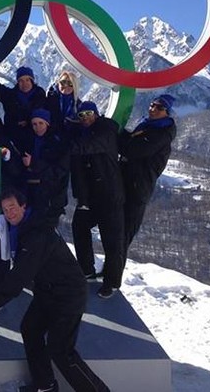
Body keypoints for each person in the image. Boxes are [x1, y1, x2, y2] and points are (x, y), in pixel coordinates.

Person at [0, 188, 110, 392]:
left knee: (61, 350)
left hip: (68, 294)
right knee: (30, 329)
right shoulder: (22, 229)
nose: (9, 213)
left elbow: (20, 274)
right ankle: (45, 386)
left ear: (23, 206)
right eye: (5, 210)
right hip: (48, 291)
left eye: (12, 207)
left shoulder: (37, 233)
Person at [70, 101, 125, 299]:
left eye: (89, 113)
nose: (85, 117)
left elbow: (87, 147)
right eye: (81, 115)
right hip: (91, 197)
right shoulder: (83, 133)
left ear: (96, 113)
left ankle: (112, 282)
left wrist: (61, 144)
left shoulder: (106, 131)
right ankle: (87, 270)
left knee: (112, 240)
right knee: (79, 226)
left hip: (110, 195)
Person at [119, 94, 177, 253]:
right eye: (152, 105)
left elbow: (133, 149)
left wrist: (113, 134)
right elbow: (131, 141)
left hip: (137, 190)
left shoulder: (161, 133)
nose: (153, 109)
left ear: (167, 112)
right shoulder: (148, 126)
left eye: (159, 107)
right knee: (115, 234)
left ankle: (111, 277)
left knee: (122, 237)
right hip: (128, 184)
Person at [17, 108, 70, 228]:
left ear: (47, 123)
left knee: (46, 233)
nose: (37, 127)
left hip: (51, 197)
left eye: (41, 123)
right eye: (34, 124)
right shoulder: (27, 140)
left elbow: (59, 171)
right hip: (29, 194)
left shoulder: (58, 143)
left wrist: (33, 163)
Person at [0, 66, 46, 145]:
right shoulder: (10, 96)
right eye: (21, 81)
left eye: (27, 80)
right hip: (13, 139)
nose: (24, 84)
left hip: (35, 140)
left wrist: (28, 121)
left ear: (32, 81)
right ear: (18, 82)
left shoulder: (40, 97)